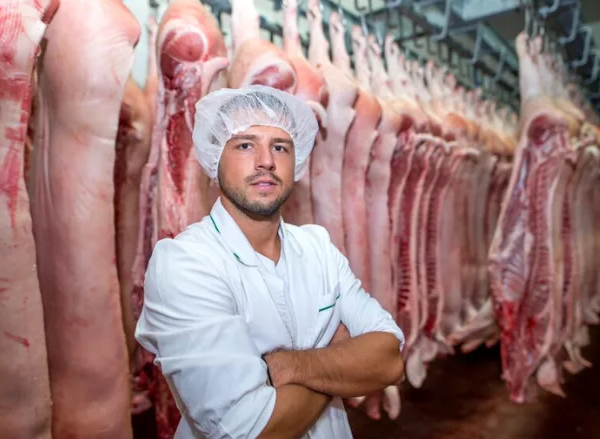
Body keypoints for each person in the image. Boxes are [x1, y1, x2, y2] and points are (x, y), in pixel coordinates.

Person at [135, 85, 405, 439]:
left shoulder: (318, 248)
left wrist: (290, 365)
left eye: (280, 147)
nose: (266, 161)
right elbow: (250, 429)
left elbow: (390, 360)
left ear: (298, 161)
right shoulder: (186, 263)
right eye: (245, 145)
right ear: (215, 160)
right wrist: (341, 361)